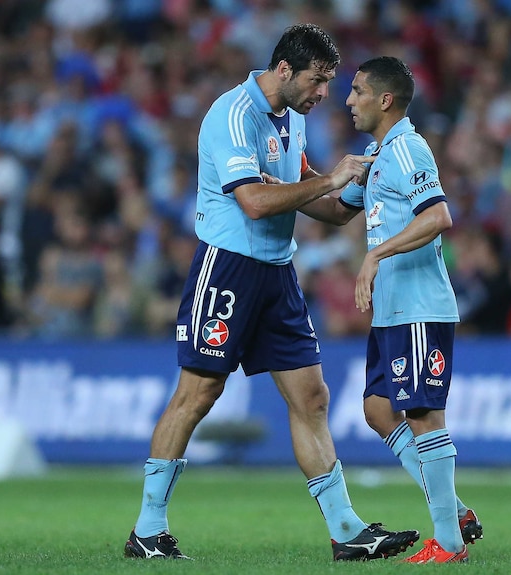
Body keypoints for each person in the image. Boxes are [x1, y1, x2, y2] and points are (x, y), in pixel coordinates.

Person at [123, 24, 420, 562]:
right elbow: (257, 203)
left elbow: (317, 204)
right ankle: (147, 529)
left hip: (278, 273)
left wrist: (364, 184)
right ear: (284, 69)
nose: (324, 93)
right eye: (318, 79)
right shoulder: (233, 115)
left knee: (312, 398)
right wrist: (331, 180)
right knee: (198, 394)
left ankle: (346, 531)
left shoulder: (292, 120)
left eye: (331, 82)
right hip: (228, 270)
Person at [299, 56, 483, 563]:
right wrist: (295, 183)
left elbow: (439, 215)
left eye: (356, 90)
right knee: (379, 411)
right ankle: (457, 511)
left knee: (424, 415)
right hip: (392, 312)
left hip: (419, 305)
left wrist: (375, 254)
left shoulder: (408, 149)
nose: (347, 99)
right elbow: (337, 211)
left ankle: (448, 542)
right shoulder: (378, 154)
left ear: (384, 100)